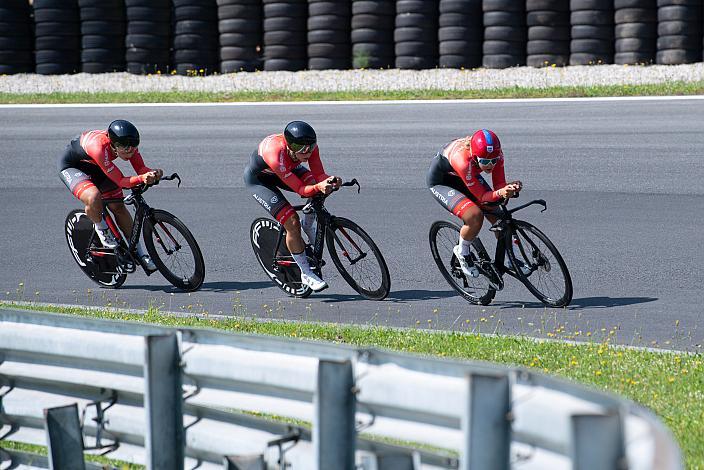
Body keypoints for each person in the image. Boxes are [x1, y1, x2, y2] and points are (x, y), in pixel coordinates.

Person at [244, 120, 341, 292]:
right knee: (292, 221)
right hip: (261, 180)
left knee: (318, 189)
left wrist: (330, 180)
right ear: (289, 145)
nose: (308, 152)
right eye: (302, 148)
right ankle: (305, 273)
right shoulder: (275, 154)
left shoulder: (309, 149)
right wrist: (318, 186)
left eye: (310, 148)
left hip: (286, 170)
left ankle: (308, 223)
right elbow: (302, 190)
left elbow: (318, 175)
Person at [58, 119, 163, 271]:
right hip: (72, 166)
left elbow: (140, 167)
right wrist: (141, 178)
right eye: (126, 149)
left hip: (97, 166)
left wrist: (152, 174)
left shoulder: (127, 144)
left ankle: (140, 254)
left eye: (134, 148)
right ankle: (102, 229)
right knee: (94, 197)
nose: (130, 152)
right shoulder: (99, 148)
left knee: (118, 207)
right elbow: (121, 181)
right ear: (113, 145)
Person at [427, 129, 527, 277]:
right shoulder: (462, 161)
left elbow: (499, 185)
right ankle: (463, 252)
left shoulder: (495, 155)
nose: (490, 165)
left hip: (467, 178)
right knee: (474, 215)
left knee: (499, 217)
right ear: (474, 157)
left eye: (494, 161)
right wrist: (501, 193)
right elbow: (482, 197)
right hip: (443, 182)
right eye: (485, 162)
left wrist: (507, 189)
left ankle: (511, 257)